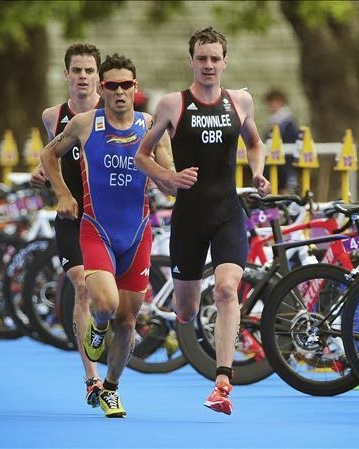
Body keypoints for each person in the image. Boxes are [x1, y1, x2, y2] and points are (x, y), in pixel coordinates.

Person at [135, 26, 270, 416]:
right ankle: (184, 317)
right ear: (191, 61)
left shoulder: (241, 101)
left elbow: (255, 143)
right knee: (188, 309)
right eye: (202, 58)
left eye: (215, 58)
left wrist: (257, 173)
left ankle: (223, 382)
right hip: (189, 218)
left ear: (225, 62)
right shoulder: (171, 105)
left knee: (228, 290)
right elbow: (143, 157)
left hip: (228, 212)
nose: (208, 65)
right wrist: (168, 177)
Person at [40, 53, 172, 418]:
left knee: (128, 320)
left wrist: (173, 181)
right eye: (111, 85)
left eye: (125, 85)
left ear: (135, 88)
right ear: (102, 88)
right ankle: (97, 329)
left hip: (137, 234)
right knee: (105, 305)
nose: (118, 91)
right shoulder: (83, 124)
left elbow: (169, 173)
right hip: (95, 229)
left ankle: (111, 388)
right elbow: (48, 155)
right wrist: (64, 194)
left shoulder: (150, 125)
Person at [29, 43, 105, 408]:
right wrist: (43, 173)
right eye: (77, 70)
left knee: (114, 300)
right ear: (66, 74)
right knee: (81, 285)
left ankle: (107, 346)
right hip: (71, 215)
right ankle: (91, 378)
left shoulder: (113, 114)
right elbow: (53, 155)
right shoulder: (52, 115)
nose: (83, 76)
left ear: (98, 77)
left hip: (108, 217)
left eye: (89, 70)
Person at [264, 87, 300, 194]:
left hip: (285, 166)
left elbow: (289, 145)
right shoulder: (275, 120)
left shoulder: (288, 122)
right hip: (275, 165)